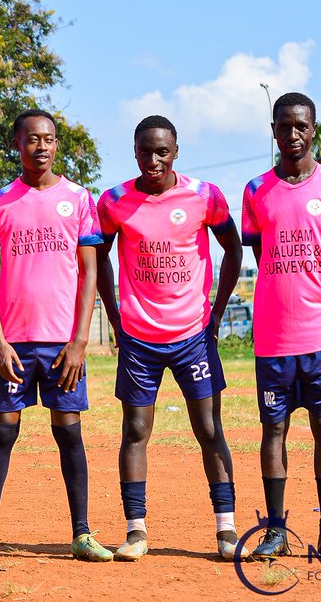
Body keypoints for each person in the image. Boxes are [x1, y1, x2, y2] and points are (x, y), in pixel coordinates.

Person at [0, 110, 113, 565]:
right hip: (15, 345)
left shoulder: (79, 199)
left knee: (69, 434)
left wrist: (80, 339)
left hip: (64, 344)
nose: (41, 147)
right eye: (32, 140)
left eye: (49, 139)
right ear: (17, 145)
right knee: (3, 433)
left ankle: (82, 534)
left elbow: (89, 270)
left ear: (56, 144)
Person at [96, 115, 246, 561]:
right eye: (145, 151)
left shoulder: (204, 196)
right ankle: (136, 531)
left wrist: (217, 311)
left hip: (193, 336)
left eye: (162, 151)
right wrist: (115, 313)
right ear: (135, 152)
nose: (154, 159)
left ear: (176, 151)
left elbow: (234, 248)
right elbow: (98, 256)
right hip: (139, 338)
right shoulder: (115, 200)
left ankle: (226, 529)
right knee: (136, 430)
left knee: (208, 428)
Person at [241, 93, 321, 561]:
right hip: (273, 335)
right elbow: (259, 252)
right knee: (274, 429)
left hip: (320, 334)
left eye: (301, 125)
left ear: (314, 129)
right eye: (283, 125)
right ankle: (275, 530)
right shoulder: (255, 190)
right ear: (273, 130)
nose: (292, 134)